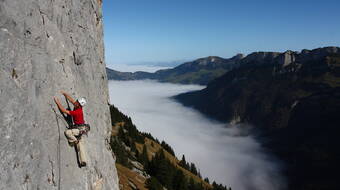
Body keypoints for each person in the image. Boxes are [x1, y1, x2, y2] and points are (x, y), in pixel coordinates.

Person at [54, 91, 89, 167]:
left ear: (79, 105)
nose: (75, 102)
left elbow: (64, 111)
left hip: (78, 129)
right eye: (76, 101)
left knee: (68, 133)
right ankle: (83, 160)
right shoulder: (77, 106)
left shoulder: (77, 112)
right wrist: (65, 94)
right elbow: (71, 100)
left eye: (77, 102)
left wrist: (57, 102)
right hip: (81, 128)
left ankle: (74, 141)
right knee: (81, 145)